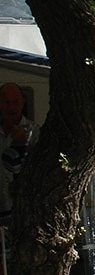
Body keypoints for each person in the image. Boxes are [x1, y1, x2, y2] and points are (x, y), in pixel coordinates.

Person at [0, 81, 39, 219]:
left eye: (15, 102)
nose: (11, 107)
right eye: (6, 102)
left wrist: (24, 145)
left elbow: (41, 166)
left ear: (22, 102)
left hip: (24, 210)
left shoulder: (34, 131)